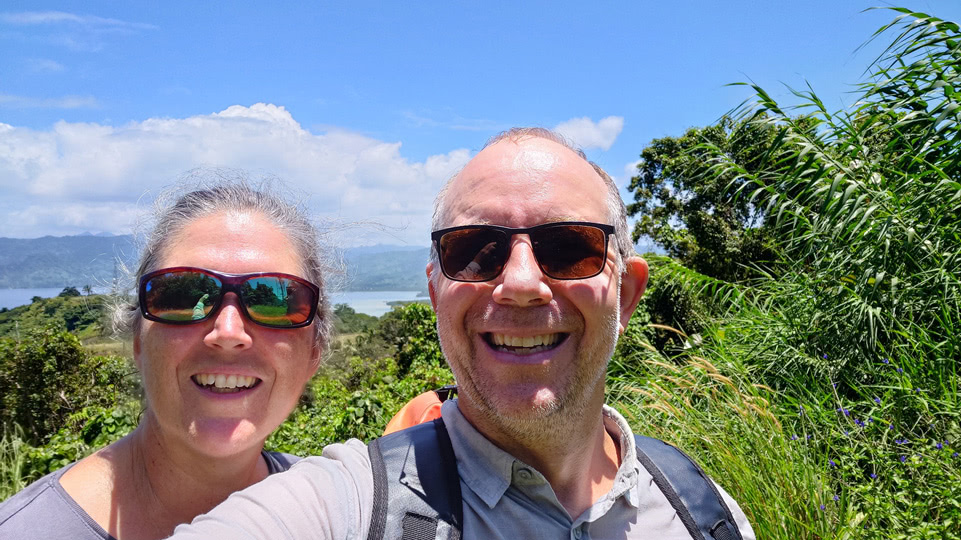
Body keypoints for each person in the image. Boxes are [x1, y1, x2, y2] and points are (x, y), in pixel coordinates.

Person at [168, 129, 755, 539]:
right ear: (434, 293)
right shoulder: (352, 506)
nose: (521, 283)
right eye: (475, 252)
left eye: (569, 248)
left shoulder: (703, 512)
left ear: (625, 292)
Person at [0, 180, 334, 539]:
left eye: (279, 301)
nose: (228, 331)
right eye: (182, 294)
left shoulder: (334, 513)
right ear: (137, 339)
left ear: (314, 351)